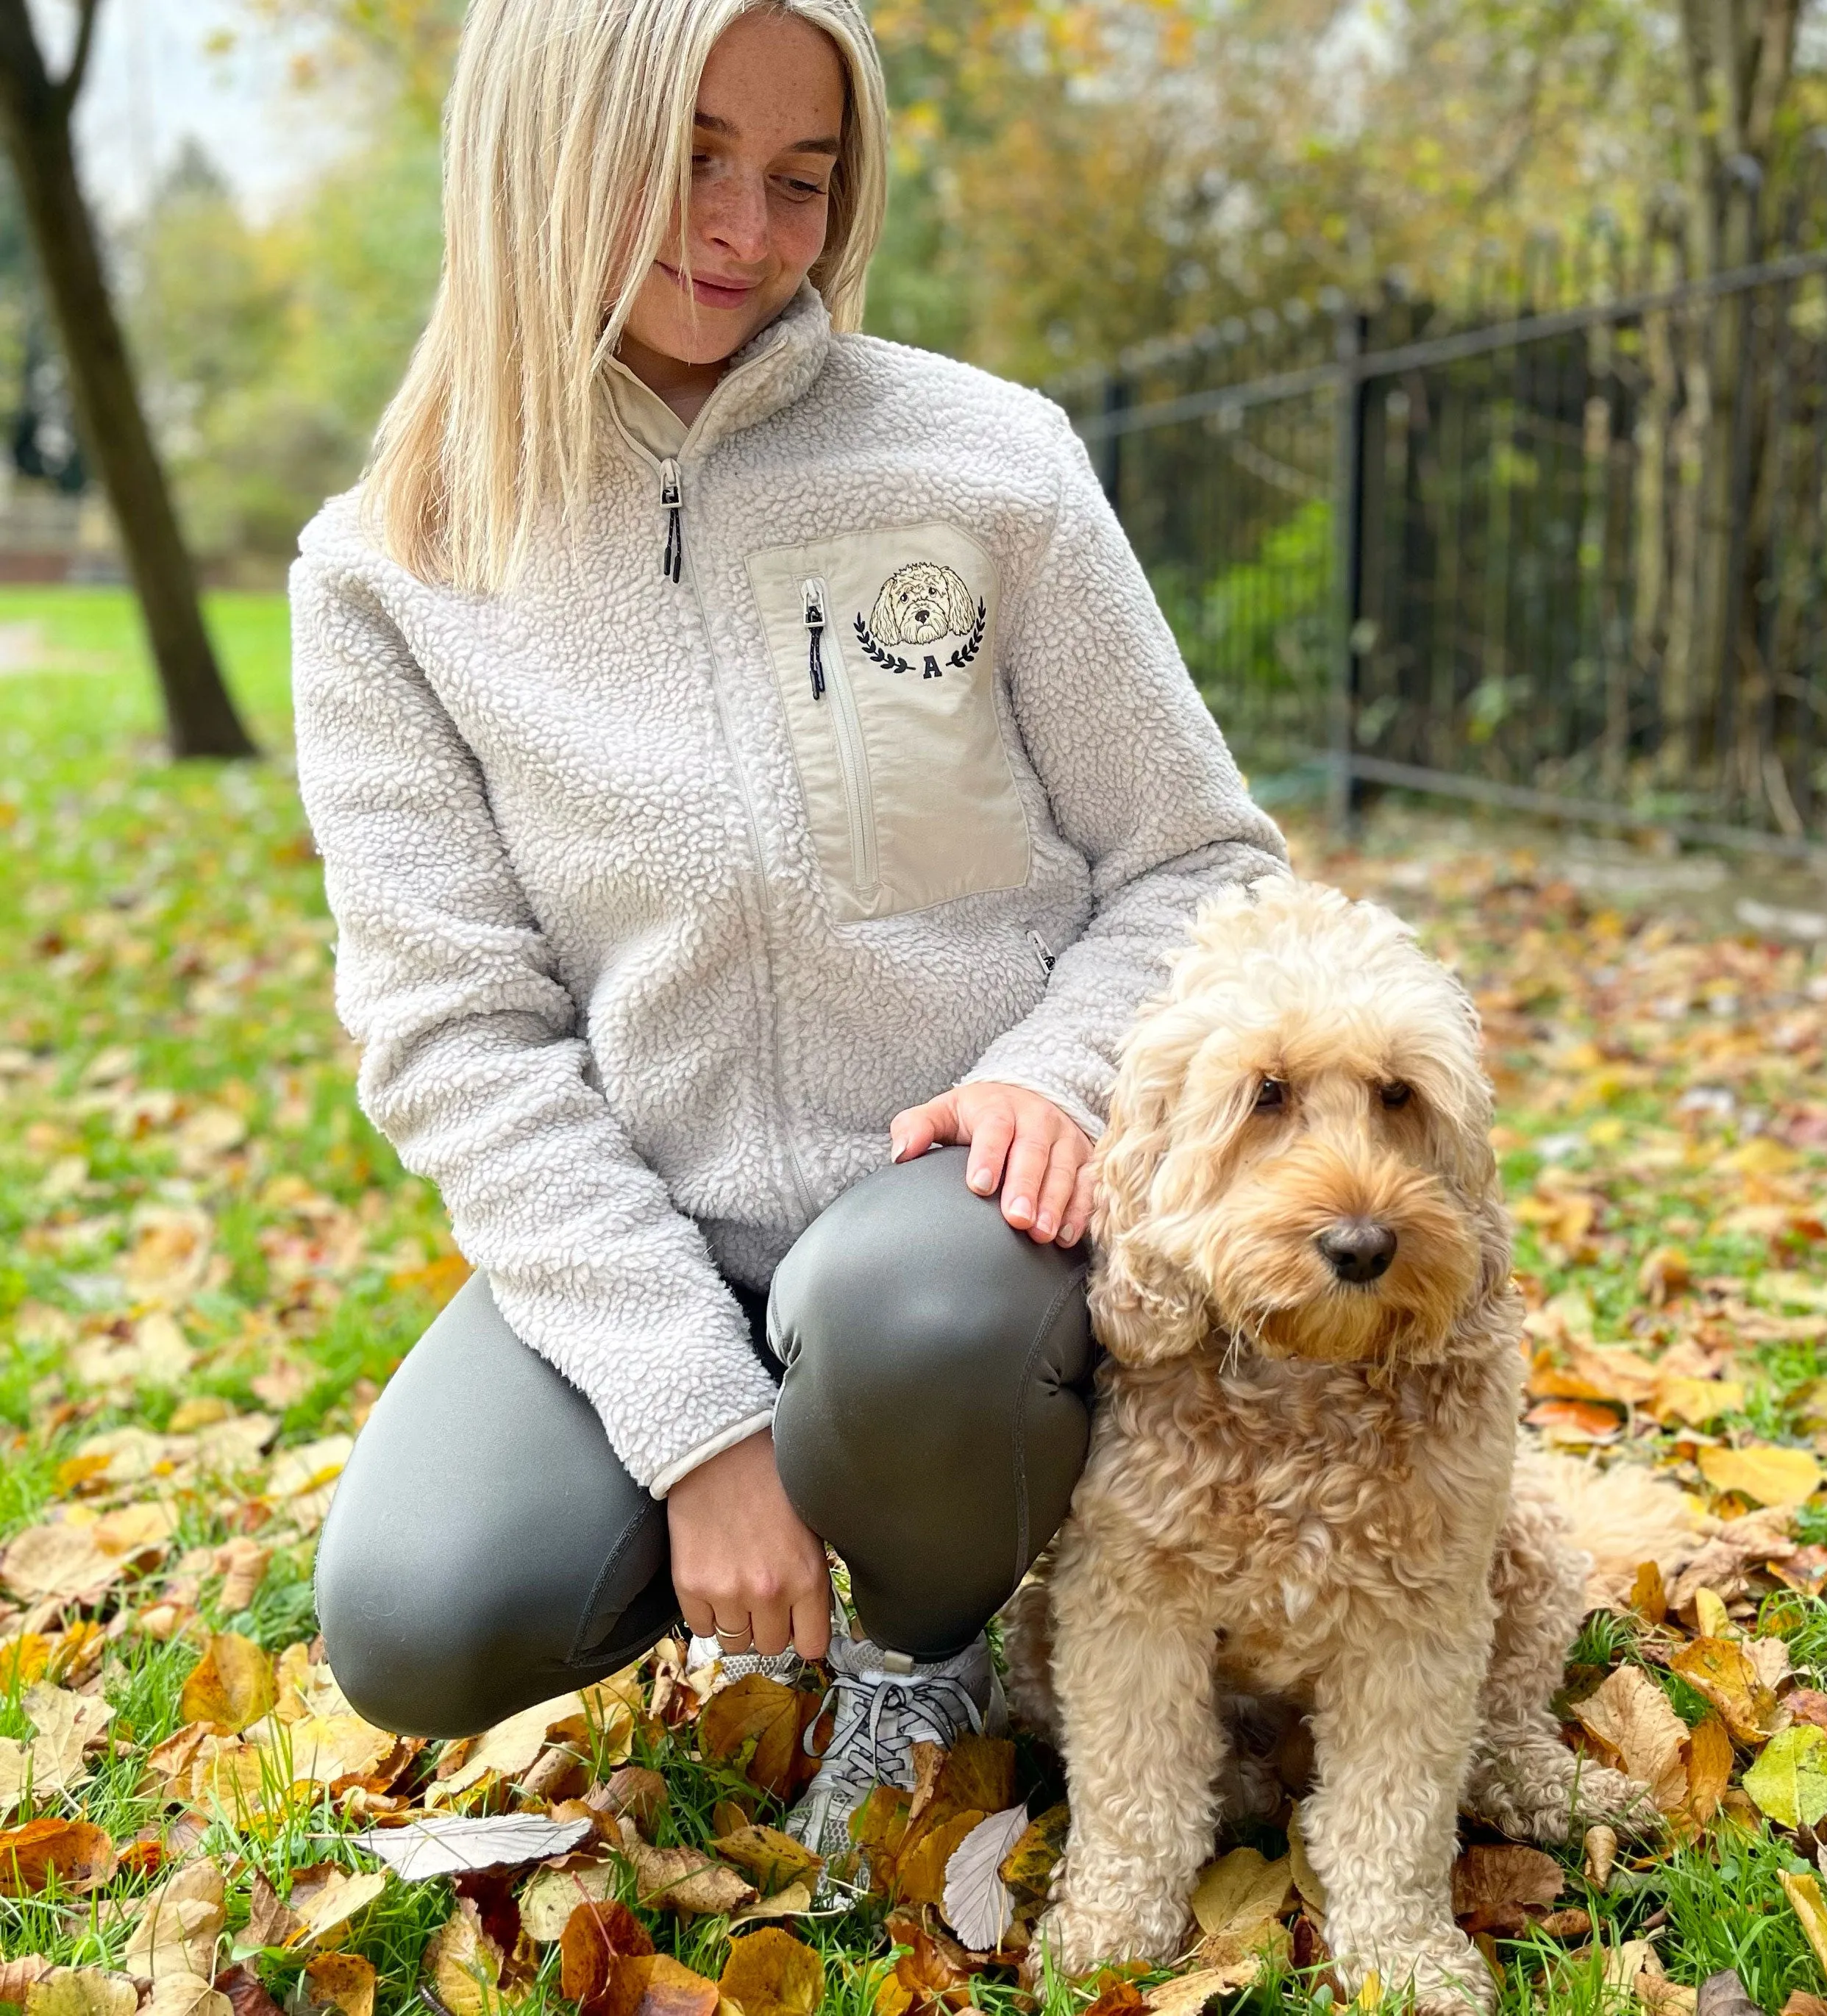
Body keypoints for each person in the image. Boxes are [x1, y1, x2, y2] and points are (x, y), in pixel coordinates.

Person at [292, 0, 1286, 1862]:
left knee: (902, 1316)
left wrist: (1052, 1072)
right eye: (689, 157)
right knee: (417, 1608)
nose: (747, 228)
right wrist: (691, 1423)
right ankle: (793, 1517)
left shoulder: (983, 460)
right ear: (541, 148)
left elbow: (1204, 857)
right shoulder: (392, 566)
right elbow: (456, 1038)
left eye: (803, 175)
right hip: (656, 1220)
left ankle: (922, 1639)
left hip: (964, 1234)